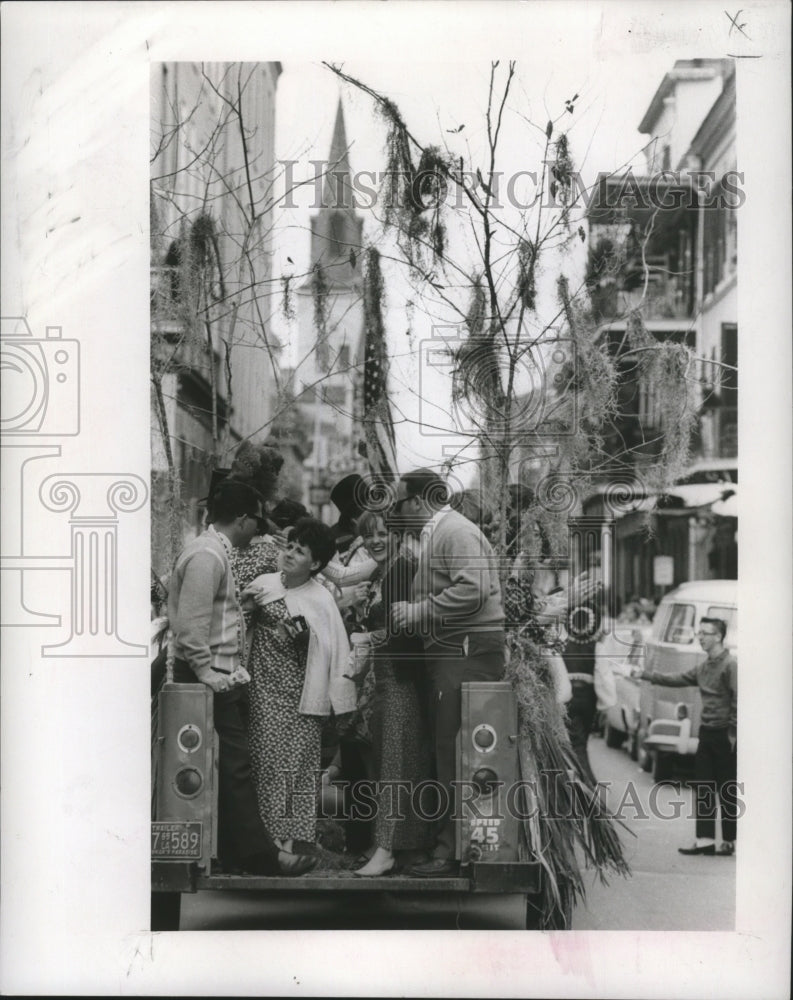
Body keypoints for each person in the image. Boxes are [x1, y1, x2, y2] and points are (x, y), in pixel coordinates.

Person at [167, 479, 317, 876]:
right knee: (234, 765)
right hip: (208, 679)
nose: (261, 529)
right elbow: (191, 626)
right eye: (256, 520)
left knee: (228, 765)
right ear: (241, 519)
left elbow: (208, 613)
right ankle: (259, 856)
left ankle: (236, 852)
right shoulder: (207, 556)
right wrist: (206, 673)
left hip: (217, 677)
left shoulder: (214, 551)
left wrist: (239, 604)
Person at [390, 468, 506, 878]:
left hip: (464, 649)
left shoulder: (454, 531)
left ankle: (453, 849)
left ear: (419, 502)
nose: (396, 511)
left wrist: (417, 611)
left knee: (454, 750)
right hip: (457, 648)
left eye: (400, 502)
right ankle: (453, 842)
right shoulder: (443, 533)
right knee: (450, 746)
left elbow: (473, 588)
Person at [241, 518, 357, 853]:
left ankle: (292, 845)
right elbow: (240, 625)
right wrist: (247, 611)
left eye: (300, 551)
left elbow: (334, 650)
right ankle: (267, 844)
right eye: (289, 546)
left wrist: (305, 639)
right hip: (262, 693)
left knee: (297, 769)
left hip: (302, 699)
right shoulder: (263, 584)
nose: (290, 554)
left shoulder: (321, 600)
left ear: (316, 563)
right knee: (265, 767)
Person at [351, 510, 433, 877]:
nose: (375, 541)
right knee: (391, 762)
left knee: (397, 765)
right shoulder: (387, 570)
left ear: (396, 534)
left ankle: (386, 850)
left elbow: (405, 632)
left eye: (382, 533)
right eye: (368, 536)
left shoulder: (404, 568)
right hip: (385, 678)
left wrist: (368, 638)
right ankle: (396, 846)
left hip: (402, 677)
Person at [633, 616, 738, 857]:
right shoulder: (704, 666)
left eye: (705, 633)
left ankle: (730, 841)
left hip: (725, 735)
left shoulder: (730, 665)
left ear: (719, 637)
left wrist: (733, 733)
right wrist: (646, 674)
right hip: (707, 732)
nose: (700, 637)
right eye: (699, 632)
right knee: (703, 787)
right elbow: (677, 679)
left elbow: (738, 700)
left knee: (726, 789)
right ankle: (705, 841)